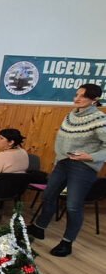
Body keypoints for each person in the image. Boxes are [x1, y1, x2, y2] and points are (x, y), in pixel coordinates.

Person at [27, 84, 106, 257]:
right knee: (48, 195)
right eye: (77, 94)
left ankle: (67, 242)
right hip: (63, 162)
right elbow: (61, 141)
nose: (77, 98)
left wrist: (91, 156)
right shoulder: (70, 116)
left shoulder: (100, 119)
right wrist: (58, 159)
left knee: (73, 206)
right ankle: (39, 227)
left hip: (83, 167)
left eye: (83, 96)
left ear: (94, 99)